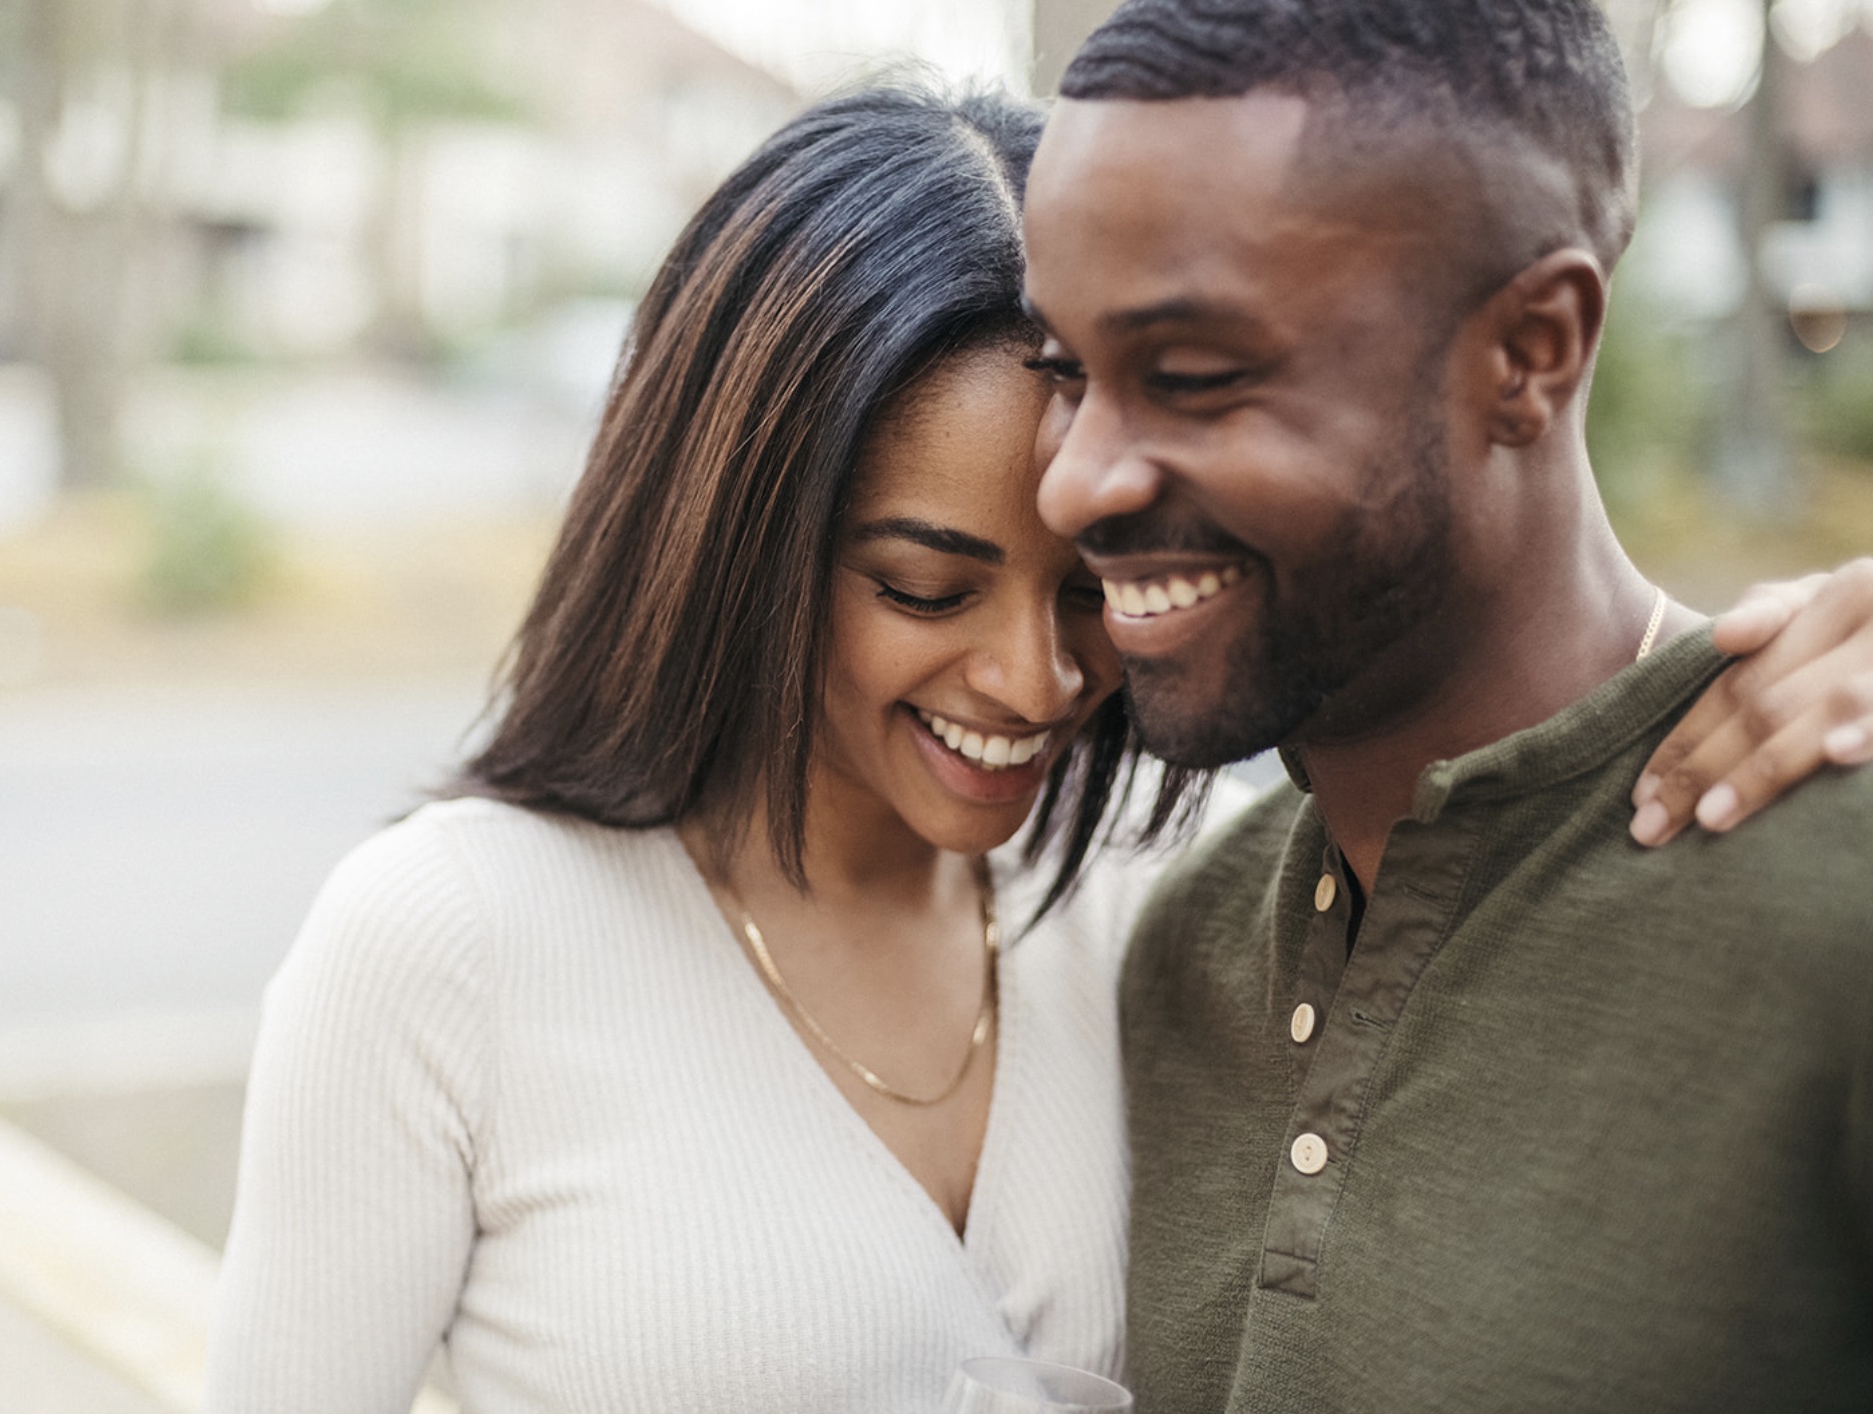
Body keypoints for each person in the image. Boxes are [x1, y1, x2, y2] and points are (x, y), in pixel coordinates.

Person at [207, 76, 1871, 1414]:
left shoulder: (1150, 918)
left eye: (1093, 589)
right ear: (736, 536)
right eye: (924, 583)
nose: (1031, 678)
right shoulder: (449, 944)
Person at [1019, 2, 1873, 1411]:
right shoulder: (1185, 952)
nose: (1076, 483)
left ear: (1530, 351)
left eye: (1192, 377)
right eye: (1068, 372)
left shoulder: (1836, 894)